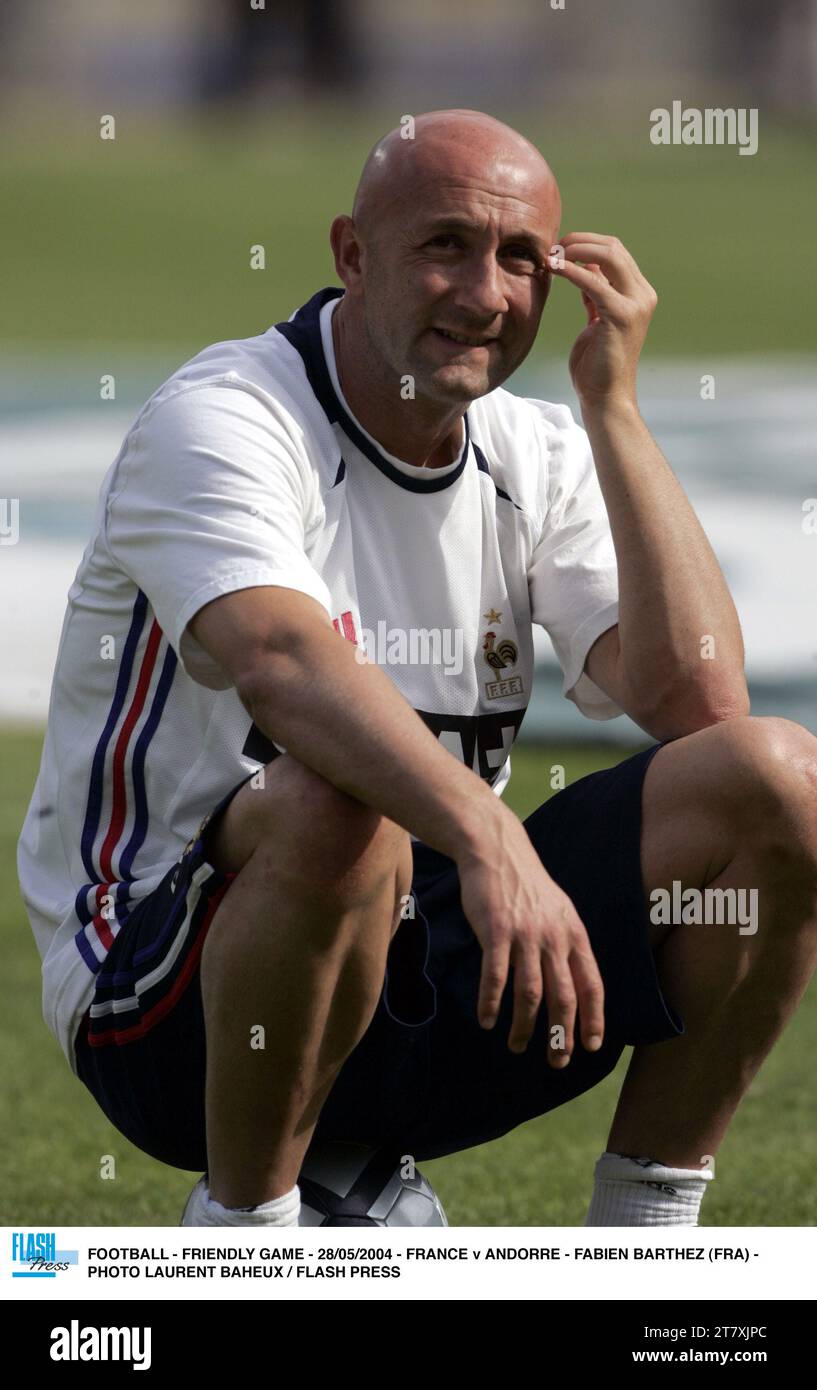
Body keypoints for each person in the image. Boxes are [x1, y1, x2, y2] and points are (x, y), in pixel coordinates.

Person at [17, 109, 817, 1229]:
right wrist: (490, 836)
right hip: (163, 1008)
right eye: (444, 245)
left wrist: (615, 412)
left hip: (448, 963)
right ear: (351, 254)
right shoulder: (224, 419)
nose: (486, 293)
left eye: (521, 259)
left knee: (780, 782)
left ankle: (643, 1240)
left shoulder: (533, 449)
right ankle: (247, 1235)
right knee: (341, 801)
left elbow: (700, 707)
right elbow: (284, 666)